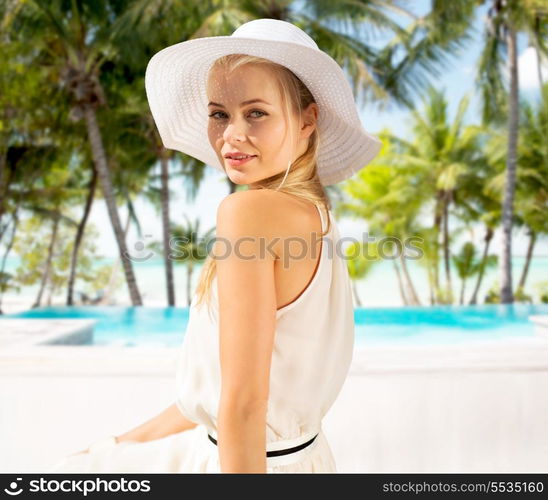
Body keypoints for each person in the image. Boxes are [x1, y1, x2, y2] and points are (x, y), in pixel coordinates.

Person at [48, 18, 381, 474]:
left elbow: (244, 405)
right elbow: (213, 398)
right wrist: (117, 444)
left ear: (308, 119)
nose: (231, 135)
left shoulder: (248, 213)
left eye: (256, 113)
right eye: (219, 113)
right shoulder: (318, 218)